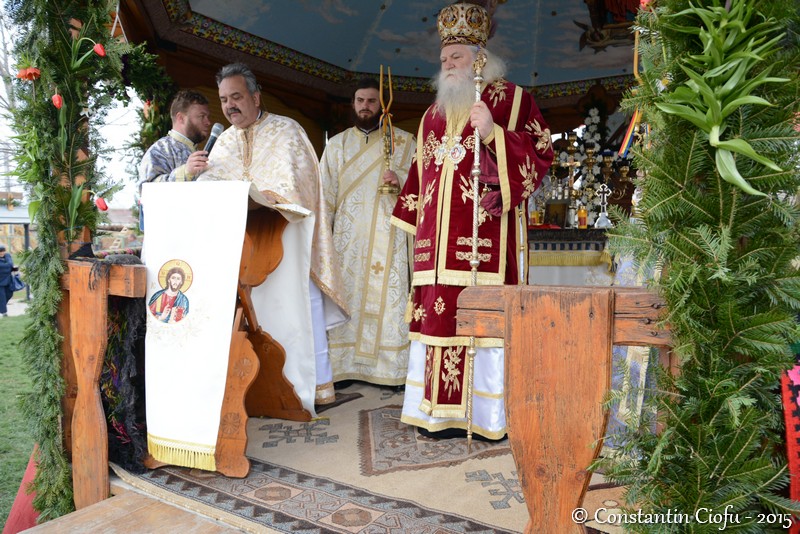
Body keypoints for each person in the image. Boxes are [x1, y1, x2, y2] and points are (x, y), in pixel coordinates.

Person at [391, 2, 554, 440]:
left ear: (479, 58)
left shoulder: (512, 99)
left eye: (456, 58)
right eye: (443, 59)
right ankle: (434, 413)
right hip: (435, 249)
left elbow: (542, 156)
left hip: (486, 243)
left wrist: (494, 135)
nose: (447, 65)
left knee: (479, 324)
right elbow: (419, 179)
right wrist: (414, 224)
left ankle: (484, 418)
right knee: (438, 323)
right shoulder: (431, 115)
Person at [199, 62, 348, 412]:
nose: (229, 106)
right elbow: (210, 189)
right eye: (223, 99)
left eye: (236, 97)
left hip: (288, 242)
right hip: (244, 249)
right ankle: (254, 390)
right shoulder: (222, 143)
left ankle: (310, 389)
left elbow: (299, 184)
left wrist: (264, 195)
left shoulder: (287, 131)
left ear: (255, 96)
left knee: (298, 310)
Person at [320, 78, 415, 387]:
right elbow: (325, 196)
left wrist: (399, 179)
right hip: (347, 241)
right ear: (353, 104)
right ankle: (345, 367)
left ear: (383, 105)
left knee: (389, 300)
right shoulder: (336, 145)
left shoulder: (405, 143)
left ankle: (390, 370)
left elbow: (423, 186)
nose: (365, 106)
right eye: (360, 100)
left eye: (371, 101)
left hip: (389, 237)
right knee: (347, 297)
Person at [138, 90, 212, 230]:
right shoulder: (160, 150)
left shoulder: (198, 151)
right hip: (170, 240)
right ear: (181, 118)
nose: (208, 122)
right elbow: (147, 191)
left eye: (208, 116)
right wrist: (186, 171)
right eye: (202, 116)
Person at [0, 244, 15, 317]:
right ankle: (4, 312)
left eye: (3, 251)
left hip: (8, 280)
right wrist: (7, 267)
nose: (2, 253)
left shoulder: (7, 255)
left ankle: (1, 307)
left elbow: (10, 264)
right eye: (0, 252)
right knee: (2, 297)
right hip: (0, 282)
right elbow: (6, 266)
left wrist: (6, 267)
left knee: (9, 294)